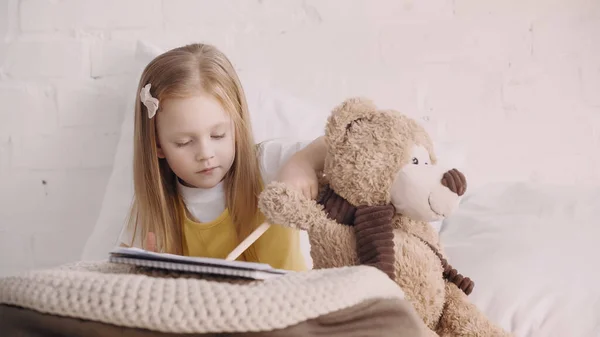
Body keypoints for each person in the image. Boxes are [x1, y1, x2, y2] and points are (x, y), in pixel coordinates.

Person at [117, 43, 327, 272]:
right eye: (184, 142)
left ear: (237, 126)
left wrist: (303, 162)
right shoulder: (152, 206)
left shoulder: (266, 164)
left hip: (287, 303)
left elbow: (342, 141)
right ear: (157, 145)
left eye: (218, 135)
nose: (205, 154)